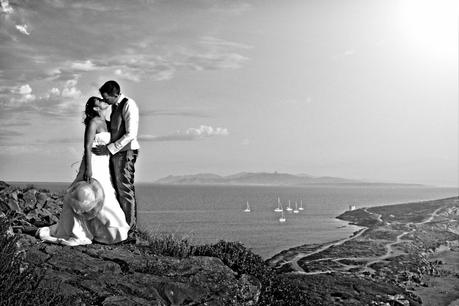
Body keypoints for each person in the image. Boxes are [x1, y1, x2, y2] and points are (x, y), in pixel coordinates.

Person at [37, 97, 130, 245]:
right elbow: (87, 146)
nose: (103, 101)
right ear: (95, 108)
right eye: (100, 101)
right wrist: (88, 169)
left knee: (105, 196)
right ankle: (78, 231)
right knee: (82, 195)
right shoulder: (93, 122)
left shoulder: (107, 123)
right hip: (92, 162)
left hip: (104, 164)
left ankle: (106, 232)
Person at [92, 81, 140, 235]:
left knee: (125, 189)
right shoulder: (114, 107)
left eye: (106, 98)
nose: (104, 101)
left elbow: (131, 134)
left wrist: (109, 148)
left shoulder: (129, 105)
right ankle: (122, 227)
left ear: (115, 94)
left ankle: (130, 230)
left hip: (126, 153)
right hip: (116, 153)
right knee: (118, 189)